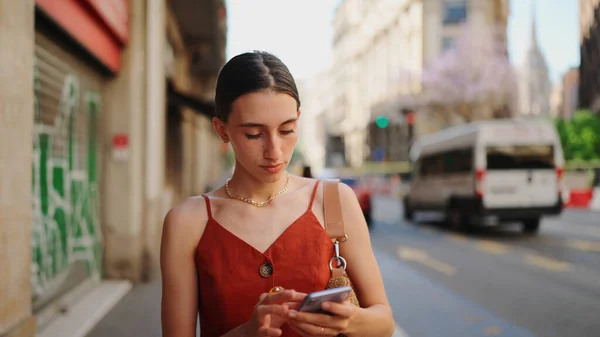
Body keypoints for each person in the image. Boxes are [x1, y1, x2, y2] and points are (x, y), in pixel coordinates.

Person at [160, 51, 394, 337]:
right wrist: (246, 333)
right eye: (254, 135)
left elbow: (383, 321)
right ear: (222, 130)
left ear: (298, 119)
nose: (274, 151)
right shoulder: (188, 222)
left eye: (287, 130)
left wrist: (348, 321)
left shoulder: (334, 200)